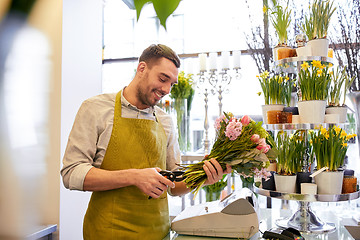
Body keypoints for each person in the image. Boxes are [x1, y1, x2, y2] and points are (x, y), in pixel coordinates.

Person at [61, 44, 231, 240]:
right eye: (162, 79)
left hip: (157, 233)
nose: (167, 90)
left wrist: (203, 175)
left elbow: (174, 184)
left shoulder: (165, 121)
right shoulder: (95, 109)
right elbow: (71, 173)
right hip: (107, 232)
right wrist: (134, 177)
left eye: (172, 84)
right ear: (142, 68)